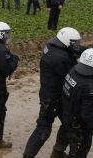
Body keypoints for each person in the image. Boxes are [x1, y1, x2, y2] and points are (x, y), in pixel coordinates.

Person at [23, 28, 82, 158]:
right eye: (75, 43)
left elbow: (74, 50)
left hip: (50, 94)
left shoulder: (52, 45)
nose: (77, 45)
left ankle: (58, 152)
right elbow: (73, 76)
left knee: (69, 123)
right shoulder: (61, 58)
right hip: (53, 99)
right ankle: (29, 156)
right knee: (44, 129)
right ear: (68, 42)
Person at [61, 48, 93, 158]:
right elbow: (87, 114)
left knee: (73, 150)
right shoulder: (89, 86)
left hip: (68, 115)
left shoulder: (73, 71)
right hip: (80, 126)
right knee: (79, 153)